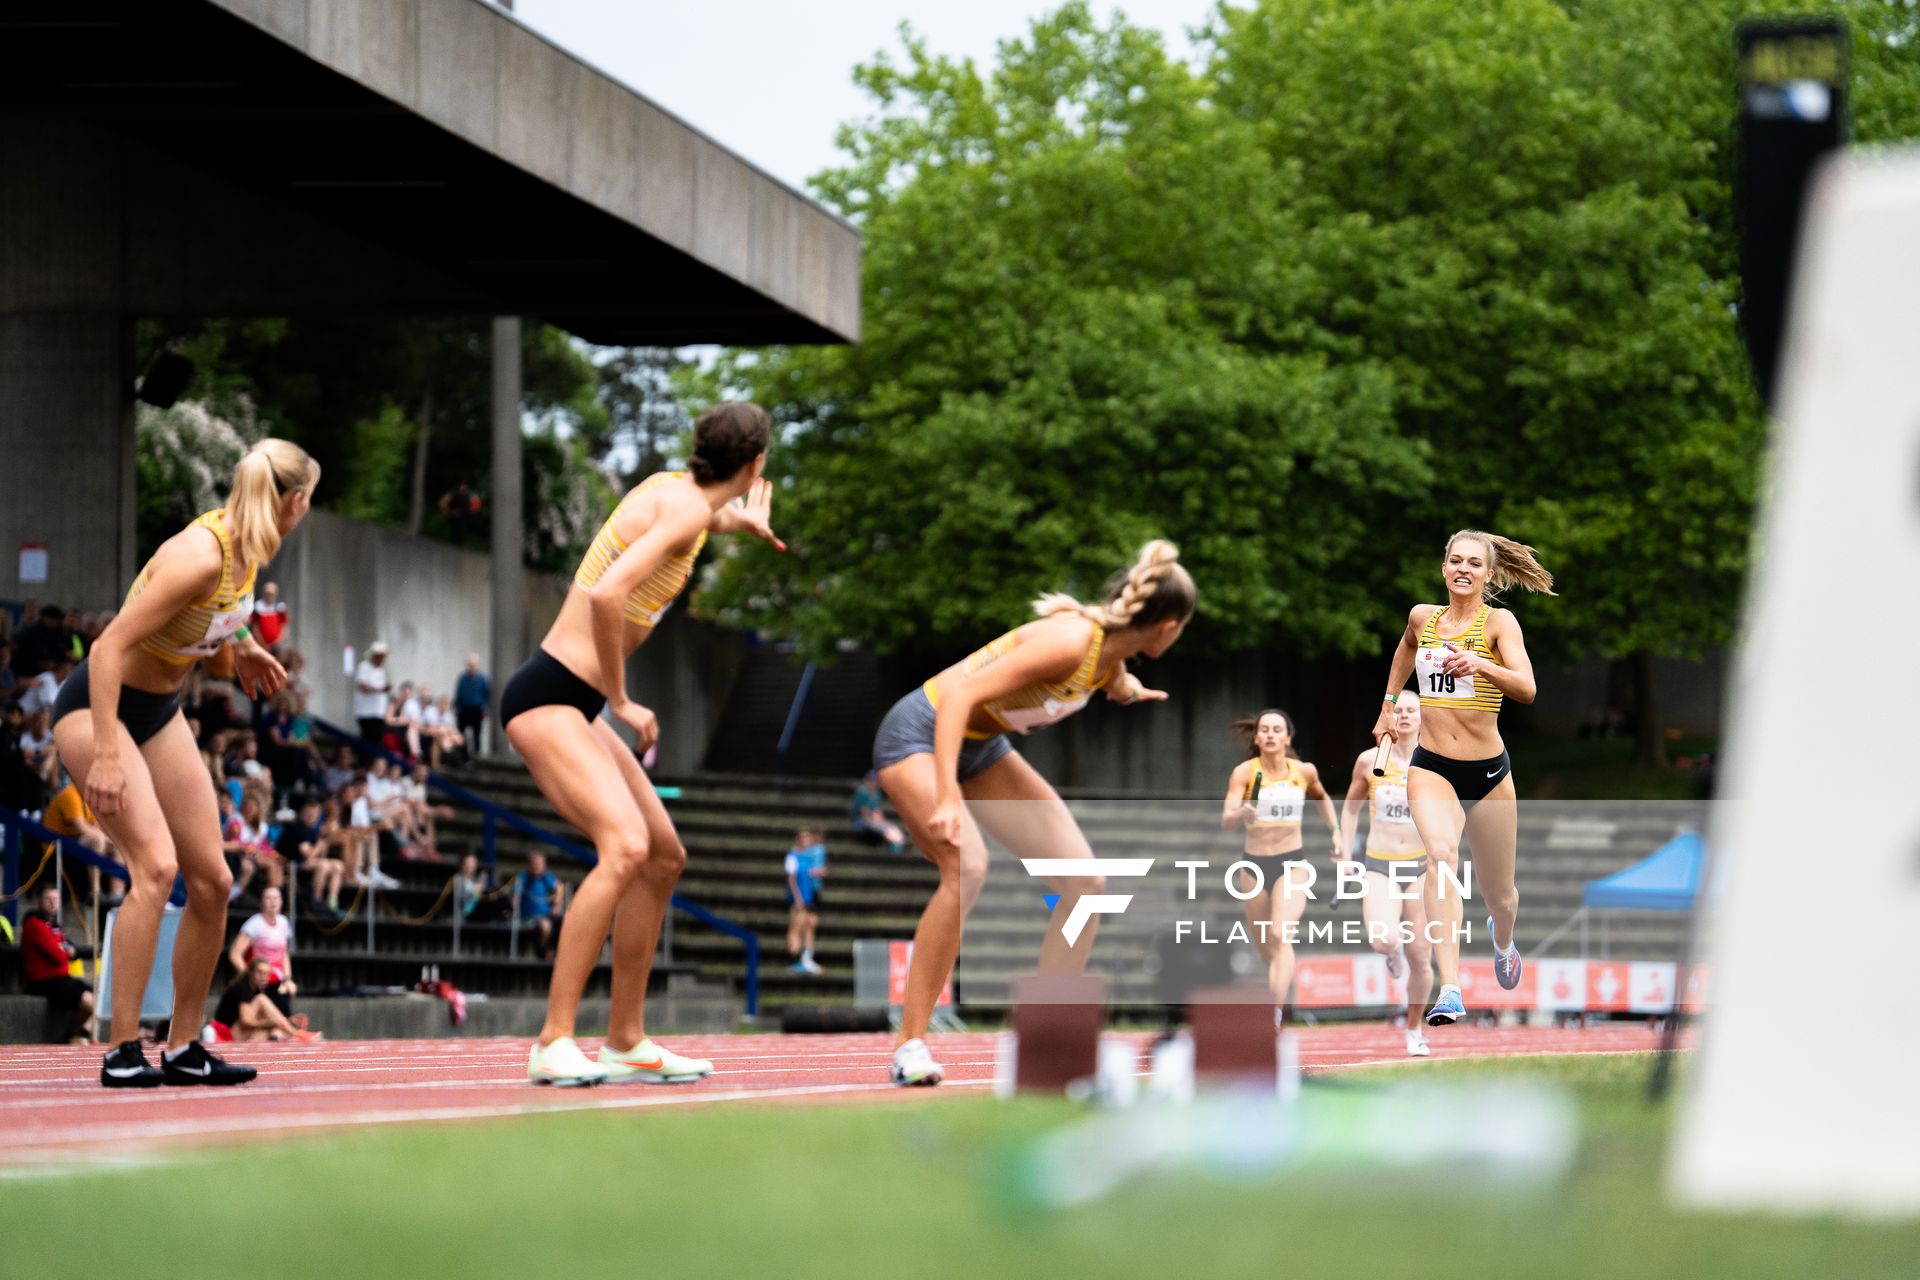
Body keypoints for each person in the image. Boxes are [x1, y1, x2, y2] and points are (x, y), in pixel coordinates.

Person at [502, 401, 783, 1086]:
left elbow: (691, 519)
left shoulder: (674, 492)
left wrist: (735, 518)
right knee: (624, 846)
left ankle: (626, 1039)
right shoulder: (686, 510)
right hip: (551, 698)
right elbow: (608, 596)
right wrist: (623, 700)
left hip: (572, 700)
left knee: (662, 856)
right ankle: (554, 1039)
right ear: (756, 464)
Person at [875, 539, 1194, 1086]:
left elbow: (1108, 677)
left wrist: (1128, 689)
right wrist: (948, 795)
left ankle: (1045, 1036)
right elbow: (959, 698)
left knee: (1086, 883)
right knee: (967, 867)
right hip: (921, 735)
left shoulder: (1108, 657)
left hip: (983, 748)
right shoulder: (1071, 643)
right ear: (1167, 628)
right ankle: (910, 1046)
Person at [52, 437, 319, 1087]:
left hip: (160, 710)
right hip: (97, 709)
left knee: (214, 881)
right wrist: (109, 754)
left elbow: (211, 619)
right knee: (156, 868)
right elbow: (109, 645)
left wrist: (243, 649)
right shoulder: (200, 554)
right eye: (309, 500)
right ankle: (120, 1050)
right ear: (295, 501)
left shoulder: (250, 549)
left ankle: (182, 1045)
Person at [1370, 529, 1553, 1027]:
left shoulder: (1499, 623)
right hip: (1431, 767)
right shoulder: (1422, 618)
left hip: (1490, 774)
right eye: (1456, 560)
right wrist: (1389, 704)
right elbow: (1405, 649)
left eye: (1475, 563)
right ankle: (1450, 986)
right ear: (1444, 567)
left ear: (1488, 574)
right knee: (1442, 857)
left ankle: (1503, 940)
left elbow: (1528, 688)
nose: (1463, 569)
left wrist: (1480, 664)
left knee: (1501, 895)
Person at [1218, 708, 1339, 1019]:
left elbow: (1322, 797)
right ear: (1257, 738)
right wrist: (1241, 813)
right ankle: (1278, 988)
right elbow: (1226, 821)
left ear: (1287, 737)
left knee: (1280, 935)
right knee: (1266, 950)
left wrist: (1336, 832)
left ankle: (1272, 1013)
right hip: (1253, 866)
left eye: (1277, 730)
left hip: (1292, 863)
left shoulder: (1303, 771)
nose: (1271, 735)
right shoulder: (1244, 773)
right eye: (1265, 730)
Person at [1339, 694, 1434, 1056]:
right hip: (1380, 862)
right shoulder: (1369, 760)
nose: (1405, 715)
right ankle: (1391, 953)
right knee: (1382, 939)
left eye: (1412, 710)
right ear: (1388, 717)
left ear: (1423, 717)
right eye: (1398, 710)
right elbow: (1349, 810)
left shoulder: (1436, 762)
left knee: (1422, 958)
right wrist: (1345, 853)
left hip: (1421, 866)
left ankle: (1413, 1030)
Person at [21, 885, 93, 1043]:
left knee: (96, 997)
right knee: (90, 1001)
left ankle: (77, 1034)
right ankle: (77, 1035)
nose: (53, 903)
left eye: (56, 899)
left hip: (60, 978)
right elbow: (58, 956)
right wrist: (65, 950)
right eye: (48, 899)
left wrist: (64, 949)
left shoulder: (54, 925)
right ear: (39, 901)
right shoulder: (34, 923)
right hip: (43, 981)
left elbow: (67, 948)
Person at [212, 958, 318, 1043]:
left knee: (275, 1032)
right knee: (262, 1001)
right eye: (260, 972)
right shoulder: (241, 988)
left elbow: (259, 1019)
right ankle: (297, 1034)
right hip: (226, 1034)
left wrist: (285, 1021)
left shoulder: (256, 989)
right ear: (250, 972)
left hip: (238, 1033)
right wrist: (271, 1022)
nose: (264, 977)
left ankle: (287, 1034)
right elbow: (246, 1021)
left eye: (267, 973)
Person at [276, 795, 343, 917]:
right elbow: (308, 854)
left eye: (316, 814)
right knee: (323, 865)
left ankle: (332, 902)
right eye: (309, 814)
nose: (313, 817)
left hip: (304, 862)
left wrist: (326, 837)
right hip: (290, 864)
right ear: (302, 812)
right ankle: (316, 900)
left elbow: (320, 855)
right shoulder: (297, 827)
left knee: (337, 865)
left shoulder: (311, 830)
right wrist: (322, 841)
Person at [784, 827, 827, 975]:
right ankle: (794, 959)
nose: (806, 840)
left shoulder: (807, 856)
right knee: (796, 928)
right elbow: (791, 879)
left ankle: (805, 959)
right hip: (799, 899)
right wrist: (797, 899)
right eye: (803, 837)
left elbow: (811, 873)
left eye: (807, 837)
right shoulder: (792, 856)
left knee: (809, 926)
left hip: (808, 897)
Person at [513, 852, 567, 961]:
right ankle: (542, 951)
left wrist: (557, 904)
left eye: (540, 864)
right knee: (545, 926)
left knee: (566, 922)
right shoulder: (523, 877)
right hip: (530, 917)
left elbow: (560, 887)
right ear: (530, 865)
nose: (537, 866)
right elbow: (515, 896)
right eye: (535, 864)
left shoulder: (546, 877)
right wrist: (515, 900)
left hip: (547, 914)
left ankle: (559, 952)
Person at [849, 770, 906, 853]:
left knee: (889, 826)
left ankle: (898, 842)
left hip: (873, 819)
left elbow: (877, 809)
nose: (874, 783)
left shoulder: (877, 794)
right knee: (882, 827)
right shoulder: (862, 792)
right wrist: (875, 818)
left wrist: (880, 818)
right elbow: (863, 812)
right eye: (872, 780)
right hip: (861, 820)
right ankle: (895, 843)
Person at [352, 641, 391, 745]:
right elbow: (362, 686)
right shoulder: (364, 667)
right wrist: (380, 689)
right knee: (368, 741)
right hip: (367, 713)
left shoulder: (382, 670)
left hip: (379, 712)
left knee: (378, 741)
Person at [453, 653, 490, 759]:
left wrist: (486, 708)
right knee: (461, 732)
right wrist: (456, 707)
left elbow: (486, 694)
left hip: (477, 709)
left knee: (476, 733)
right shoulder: (462, 678)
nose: (471, 666)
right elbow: (458, 693)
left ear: (477, 665)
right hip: (464, 709)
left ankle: (476, 755)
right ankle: (462, 755)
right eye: (469, 664)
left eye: (473, 664)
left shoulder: (482, 678)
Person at [249, 581, 289, 653]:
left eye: (271, 594)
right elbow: (255, 627)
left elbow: (284, 627)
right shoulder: (257, 607)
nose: (269, 596)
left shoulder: (280, 608)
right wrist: (262, 642)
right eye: (267, 594)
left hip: (276, 646)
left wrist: (277, 641)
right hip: (261, 645)